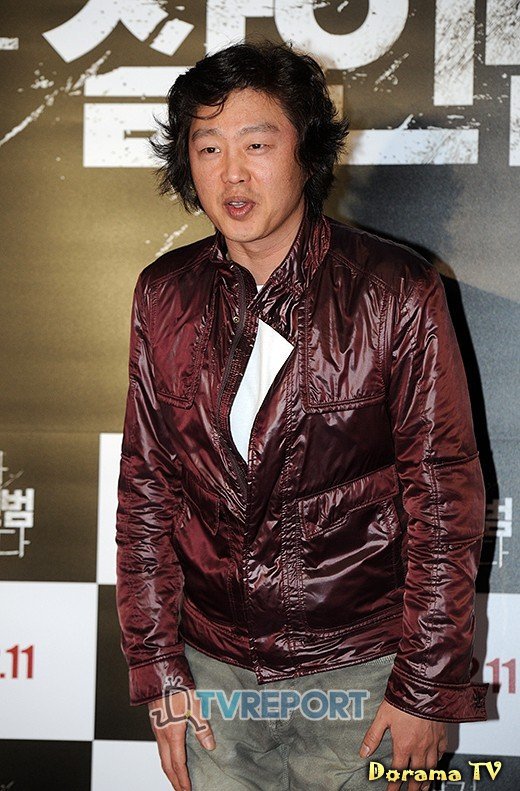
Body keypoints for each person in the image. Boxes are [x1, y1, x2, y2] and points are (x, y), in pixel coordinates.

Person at [115, 40, 488, 791]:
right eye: (208, 146)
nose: (232, 173)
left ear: (307, 151)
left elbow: (443, 496)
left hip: (365, 672)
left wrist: (425, 685)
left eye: (257, 143)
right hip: (214, 678)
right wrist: (159, 668)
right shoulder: (164, 293)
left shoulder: (395, 291)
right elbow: (146, 492)